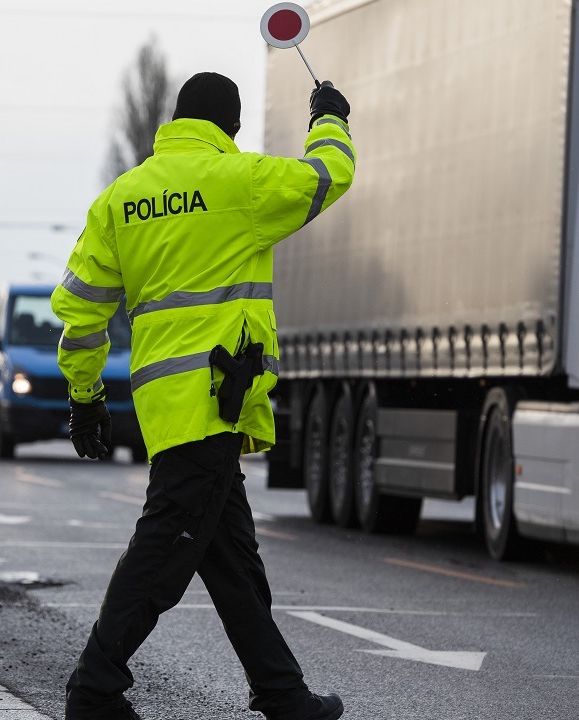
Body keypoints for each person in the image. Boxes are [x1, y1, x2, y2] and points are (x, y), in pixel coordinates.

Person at [50, 72, 356, 720]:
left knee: (232, 561)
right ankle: (95, 688)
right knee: (164, 550)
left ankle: (282, 692)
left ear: (174, 120)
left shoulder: (121, 199)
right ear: (231, 126)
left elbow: (80, 310)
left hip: (165, 406)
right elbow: (327, 175)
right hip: (216, 400)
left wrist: (84, 397)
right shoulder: (240, 182)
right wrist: (329, 117)